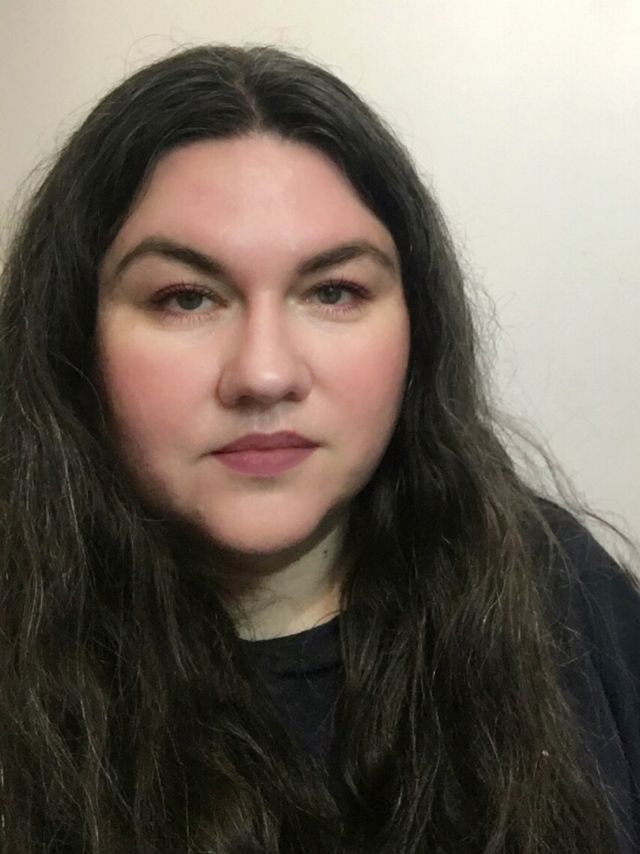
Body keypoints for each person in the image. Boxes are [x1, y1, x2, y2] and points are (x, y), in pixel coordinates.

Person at [0, 44, 638, 854]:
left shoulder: (558, 587)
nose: (264, 374)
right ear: (72, 335)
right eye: (185, 298)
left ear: (417, 327)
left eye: (334, 291)